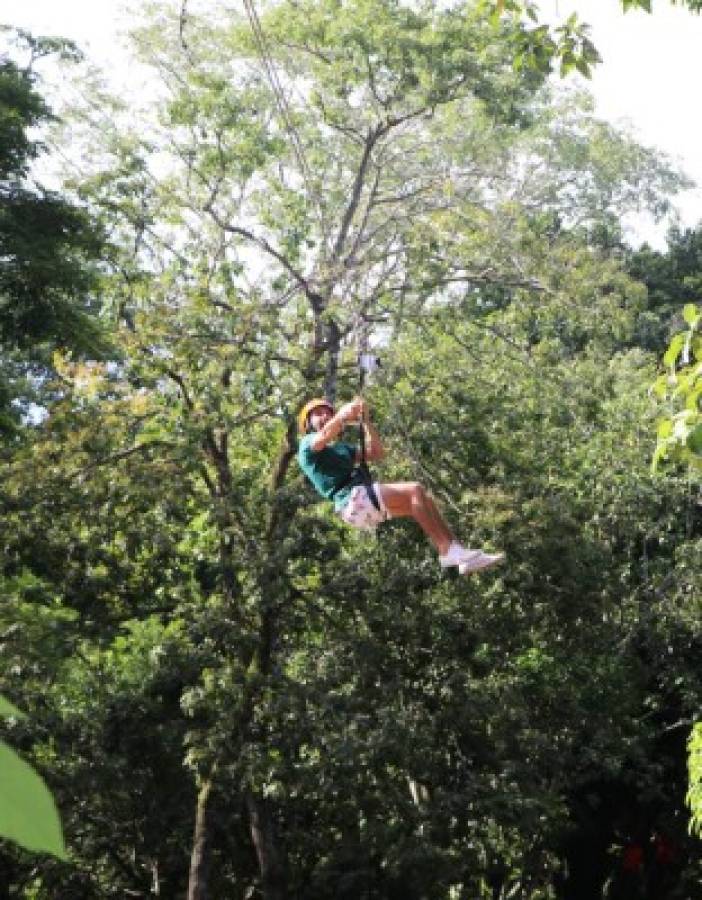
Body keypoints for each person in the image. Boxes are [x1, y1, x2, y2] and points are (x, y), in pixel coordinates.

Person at [297, 396, 504, 575]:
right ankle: (446, 550)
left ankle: (458, 552)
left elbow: (377, 453)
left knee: (424, 499)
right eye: (318, 414)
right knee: (414, 489)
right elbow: (322, 438)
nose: (324, 416)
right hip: (351, 500)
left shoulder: (341, 449)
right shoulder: (307, 444)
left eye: (327, 412)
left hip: (359, 504)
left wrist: (366, 421)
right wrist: (341, 416)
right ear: (308, 423)